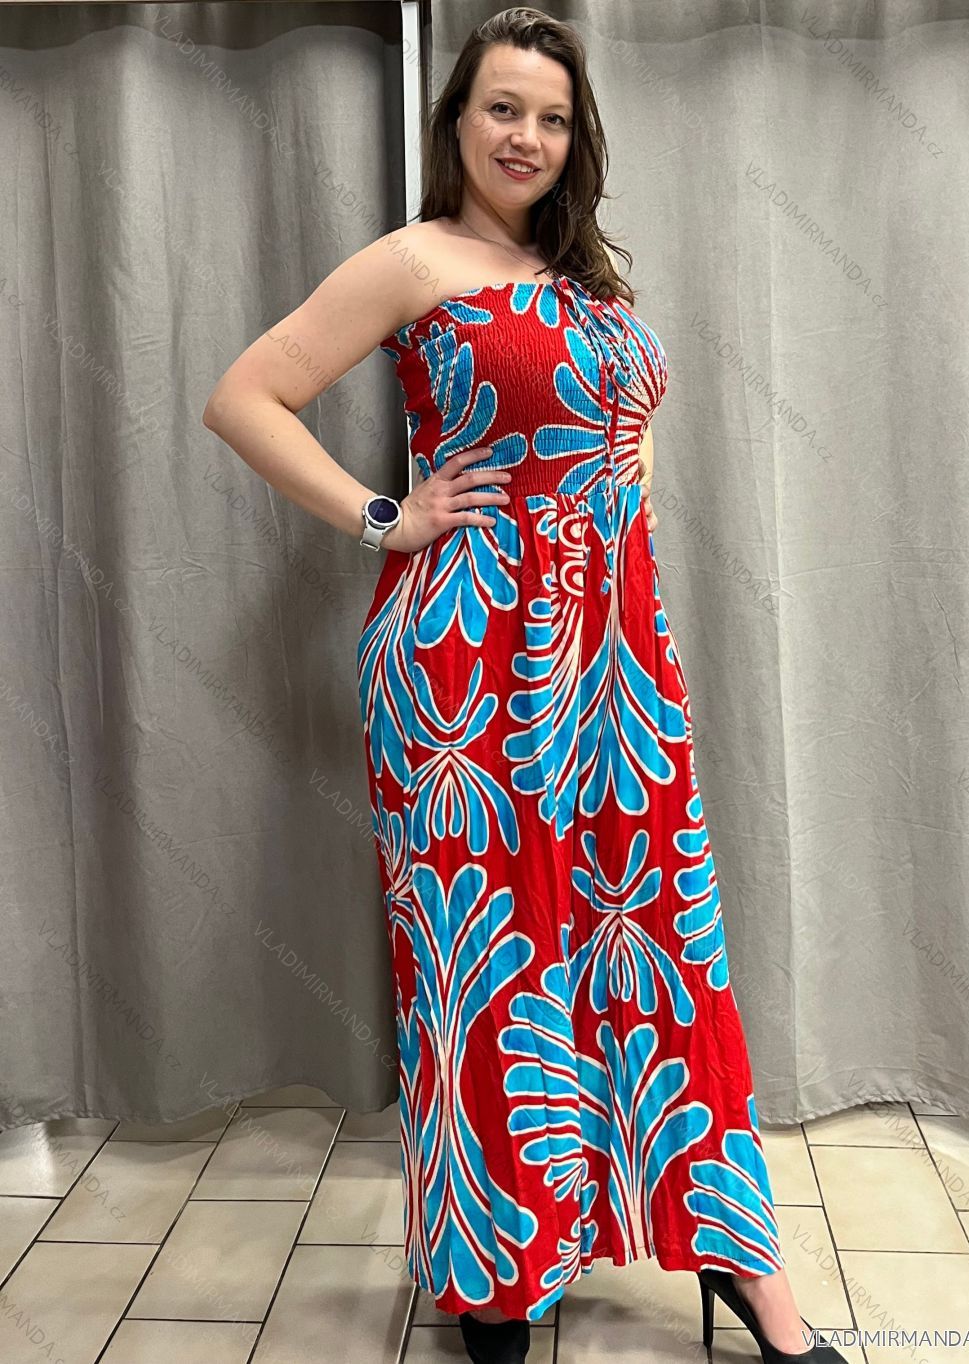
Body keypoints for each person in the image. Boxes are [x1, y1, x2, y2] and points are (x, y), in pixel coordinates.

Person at [204, 8, 849, 1363]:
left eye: (552, 118)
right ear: (456, 120)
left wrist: (620, 575)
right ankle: (497, 1275)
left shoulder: (586, 276)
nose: (527, 137)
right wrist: (386, 516)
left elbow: (628, 447)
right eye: (503, 108)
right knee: (487, 968)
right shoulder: (411, 261)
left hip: (613, 671)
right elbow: (245, 397)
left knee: (657, 950)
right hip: (465, 667)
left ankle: (739, 1261)